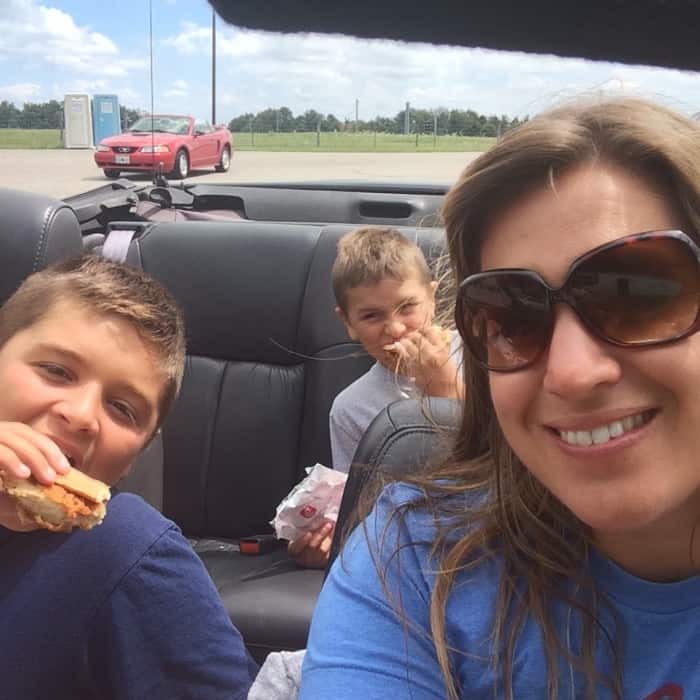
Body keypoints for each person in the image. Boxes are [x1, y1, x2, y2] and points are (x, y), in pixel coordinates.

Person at [299, 96, 700, 699]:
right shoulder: (413, 558)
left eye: (639, 295)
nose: (571, 372)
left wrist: (443, 390)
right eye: (513, 318)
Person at [0, 255, 257, 700]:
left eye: (122, 408)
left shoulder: (128, 552)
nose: (82, 415)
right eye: (56, 371)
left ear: (136, 455)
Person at [288, 226, 462, 568]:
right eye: (371, 316)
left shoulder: (484, 359)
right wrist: (329, 541)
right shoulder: (351, 409)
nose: (395, 329)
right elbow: (363, 512)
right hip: (410, 549)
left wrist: (446, 395)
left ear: (432, 298)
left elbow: (503, 468)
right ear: (348, 323)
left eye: (407, 307)